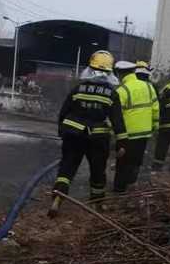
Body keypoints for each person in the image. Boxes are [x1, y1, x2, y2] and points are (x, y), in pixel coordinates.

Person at [48, 50, 127, 217]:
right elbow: (117, 120)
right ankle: (97, 204)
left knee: (67, 166)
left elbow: (64, 112)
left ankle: (57, 199)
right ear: (109, 72)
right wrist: (122, 143)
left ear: (90, 69)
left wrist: (62, 131)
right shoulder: (112, 93)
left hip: (73, 136)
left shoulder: (78, 88)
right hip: (97, 139)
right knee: (97, 170)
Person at [113, 59, 159, 193]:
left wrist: (112, 133)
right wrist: (154, 126)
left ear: (120, 74)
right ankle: (131, 186)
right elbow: (156, 109)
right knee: (136, 161)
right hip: (144, 133)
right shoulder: (149, 87)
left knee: (122, 163)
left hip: (127, 135)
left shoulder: (122, 90)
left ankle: (119, 190)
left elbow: (115, 114)